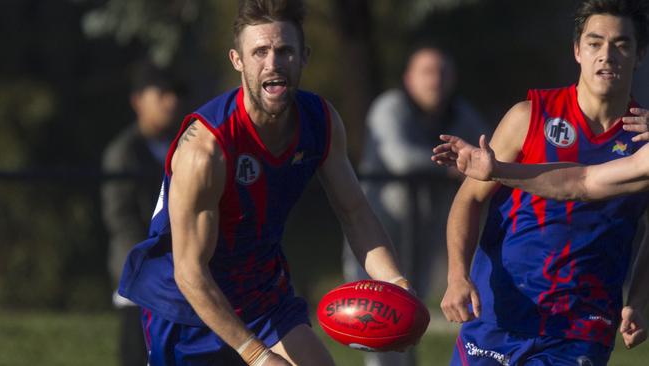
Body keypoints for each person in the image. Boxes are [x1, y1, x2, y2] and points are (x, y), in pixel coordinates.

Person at [117, 1, 413, 365]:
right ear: (237, 60)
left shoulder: (320, 121)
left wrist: (398, 286)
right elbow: (190, 272)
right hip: (186, 305)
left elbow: (355, 213)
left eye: (284, 51)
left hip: (260, 291)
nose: (272, 64)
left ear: (304, 56)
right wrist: (257, 356)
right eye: (259, 52)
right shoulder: (206, 148)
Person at [430, 0, 649, 364]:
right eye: (595, 43)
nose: (606, 56)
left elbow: (580, 183)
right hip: (500, 313)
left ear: (640, 55)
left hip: (579, 328)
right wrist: (457, 276)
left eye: (621, 44)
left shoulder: (643, 143)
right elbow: (470, 198)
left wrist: (638, 300)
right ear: (577, 50)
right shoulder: (529, 117)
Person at [341, 45, 488, 366]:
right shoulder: (389, 107)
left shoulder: (458, 113)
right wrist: (456, 166)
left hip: (423, 231)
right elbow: (399, 158)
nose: (435, 80)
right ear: (409, 79)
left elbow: (488, 152)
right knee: (377, 323)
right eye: (427, 72)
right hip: (377, 233)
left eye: (442, 72)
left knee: (409, 321)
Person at [101, 61, 179, 366]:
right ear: (138, 101)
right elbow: (121, 219)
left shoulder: (185, 145)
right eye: (161, 93)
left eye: (174, 93)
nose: (171, 101)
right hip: (140, 277)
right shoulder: (124, 153)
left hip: (182, 277)